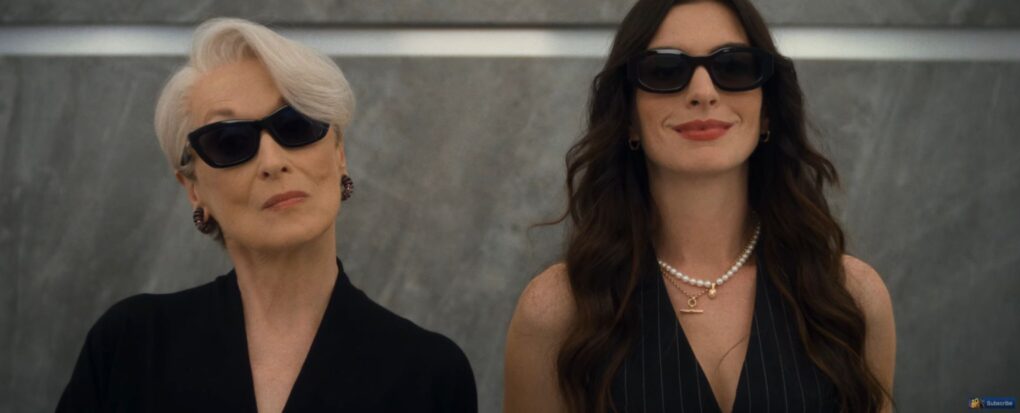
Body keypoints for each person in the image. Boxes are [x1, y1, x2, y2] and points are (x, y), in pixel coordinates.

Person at [57, 18, 477, 413]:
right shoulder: (130, 346)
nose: (272, 162)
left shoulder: (431, 373)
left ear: (339, 153)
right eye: (229, 141)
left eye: (296, 125)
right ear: (193, 188)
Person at [505, 0, 895, 412]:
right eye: (664, 71)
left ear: (767, 111)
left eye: (735, 67)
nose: (703, 93)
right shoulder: (557, 311)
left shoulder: (850, 298)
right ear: (628, 116)